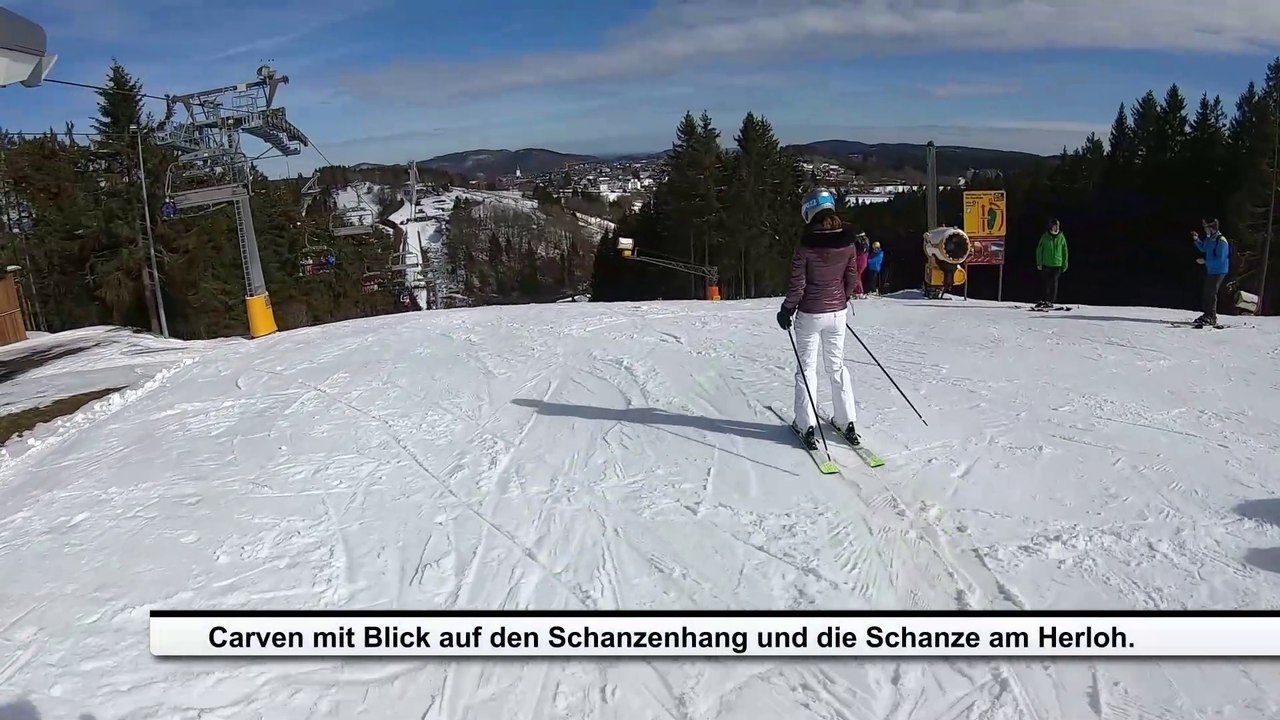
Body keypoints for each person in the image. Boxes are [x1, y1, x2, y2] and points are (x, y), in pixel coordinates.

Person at [776, 188, 861, 448]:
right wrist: (841, 301)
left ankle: (806, 424)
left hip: (810, 314)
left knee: (806, 370)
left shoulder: (806, 245)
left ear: (809, 211)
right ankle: (846, 421)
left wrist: (787, 310)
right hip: (837, 314)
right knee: (836, 366)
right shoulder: (848, 242)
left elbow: (797, 286)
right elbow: (852, 278)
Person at [1192, 218, 1231, 326]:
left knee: (1211, 292)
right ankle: (1207, 314)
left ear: (1211, 228)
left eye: (1206, 227)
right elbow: (1204, 248)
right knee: (1207, 292)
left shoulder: (1221, 241)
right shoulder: (1210, 238)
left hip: (1219, 271)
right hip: (1211, 270)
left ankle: (1212, 317)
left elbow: (1220, 260)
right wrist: (1197, 240)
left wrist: (1205, 261)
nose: (1204, 229)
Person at [1035, 218, 1068, 308]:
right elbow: (1039, 250)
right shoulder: (1045, 236)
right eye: (1054, 226)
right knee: (1046, 283)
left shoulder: (1061, 237)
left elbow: (1065, 251)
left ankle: (1051, 301)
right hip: (1046, 263)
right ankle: (1045, 300)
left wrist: (1065, 263)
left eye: (1057, 226)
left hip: (1057, 264)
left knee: (1054, 282)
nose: (1056, 228)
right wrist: (1039, 262)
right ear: (1050, 226)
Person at [853, 232, 870, 297]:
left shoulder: (861, 241)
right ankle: (858, 291)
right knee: (857, 276)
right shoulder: (865, 241)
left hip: (860, 260)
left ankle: (859, 291)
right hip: (863, 260)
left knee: (857, 276)